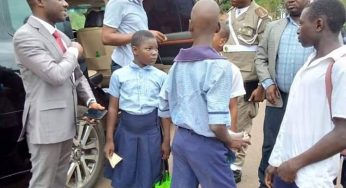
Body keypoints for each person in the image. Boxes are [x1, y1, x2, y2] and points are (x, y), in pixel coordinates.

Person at [13, 0, 104, 187]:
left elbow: (76, 75)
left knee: (60, 180)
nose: (65, 3)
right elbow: (56, 75)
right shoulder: (25, 36)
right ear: (39, 2)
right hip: (46, 126)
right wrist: (73, 50)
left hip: (67, 123)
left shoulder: (60, 35)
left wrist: (90, 101)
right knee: (43, 182)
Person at [158, 0, 249, 187]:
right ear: (217, 27)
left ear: (190, 25)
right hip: (207, 145)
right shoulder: (220, 67)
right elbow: (216, 125)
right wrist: (231, 139)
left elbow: (164, 106)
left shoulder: (176, 65)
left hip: (181, 141)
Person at [265, 0, 346, 187]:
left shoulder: (340, 66)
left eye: (302, 23)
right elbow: (290, 119)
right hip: (287, 172)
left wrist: (295, 163)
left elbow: (343, 133)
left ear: (318, 24)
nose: (297, 29)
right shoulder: (310, 63)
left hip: (312, 179)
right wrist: (276, 160)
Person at [254, 0, 313, 187]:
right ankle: (265, 183)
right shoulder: (273, 27)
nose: (289, 0)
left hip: (308, 102)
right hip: (278, 98)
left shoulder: (317, 26)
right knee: (270, 146)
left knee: (304, 145)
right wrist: (268, 83)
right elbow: (260, 58)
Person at [103, 30, 171, 188]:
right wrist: (109, 139)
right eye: (149, 49)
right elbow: (113, 109)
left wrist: (166, 141)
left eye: (156, 49)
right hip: (126, 133)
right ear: (134, 50)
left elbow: (164, 112)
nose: (154, 53)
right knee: (124, 173)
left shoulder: (161, 77)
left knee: (149, 173)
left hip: (151, 134)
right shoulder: (119, 75)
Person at [222, 0, 271, 182]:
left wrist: (261, 86)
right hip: (225, 77)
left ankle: (236, 165)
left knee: (242, 123)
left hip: (246, 81)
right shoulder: (228, 14)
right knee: (224, 121)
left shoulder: (260, 16)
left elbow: (265, 52)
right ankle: (224, 158)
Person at [102, 0, 167, 73]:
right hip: (125, 67)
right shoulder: (118, 2)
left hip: (142, 66)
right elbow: (106, 38)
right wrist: (144, 34)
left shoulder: (139, 3)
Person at [212, 20, 246, 133]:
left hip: (221, 131)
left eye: (211, 34)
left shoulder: (232, 70)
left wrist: (233, 133)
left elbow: (233, 106)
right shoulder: (188, 64)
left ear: (221, 42)